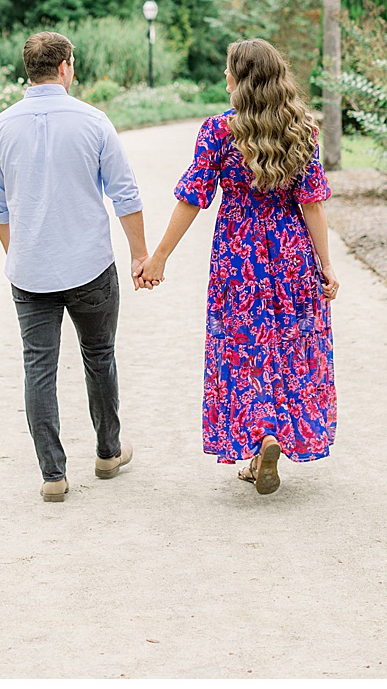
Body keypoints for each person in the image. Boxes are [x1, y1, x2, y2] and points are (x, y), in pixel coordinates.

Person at [137, 37, 340, 495]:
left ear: (240, 79)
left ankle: (259, 438)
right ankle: (277, 437)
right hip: (291, 255)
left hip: (239, 257)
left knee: (244, 349)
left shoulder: (218, 132)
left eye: (229, 70)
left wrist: (159, 258)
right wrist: (325, 266)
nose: (224, 77)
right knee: (289, 350)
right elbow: (313, 206)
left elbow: (192, 199)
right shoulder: (301, 129)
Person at [0, 31, 147, 502]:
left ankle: (53, 475)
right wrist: (139, 255)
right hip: (90, 266)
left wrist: (23, 251)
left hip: (30, 271)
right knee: (99, 357)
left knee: (38, 368)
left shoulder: (0, 127)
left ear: (28, 70)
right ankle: (108, 453)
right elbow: (126, 195)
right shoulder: (94, 122)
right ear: (65, 67)